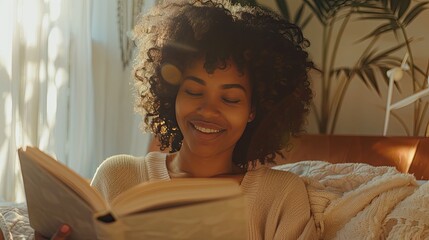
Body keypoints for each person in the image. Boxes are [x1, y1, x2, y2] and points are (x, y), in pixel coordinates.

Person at [40, 0, 317, 239]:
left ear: (253, 110)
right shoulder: (118, 176)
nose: (208, 110)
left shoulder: (280, 196)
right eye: (194, 91)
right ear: (172, 95)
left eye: (230, 99)